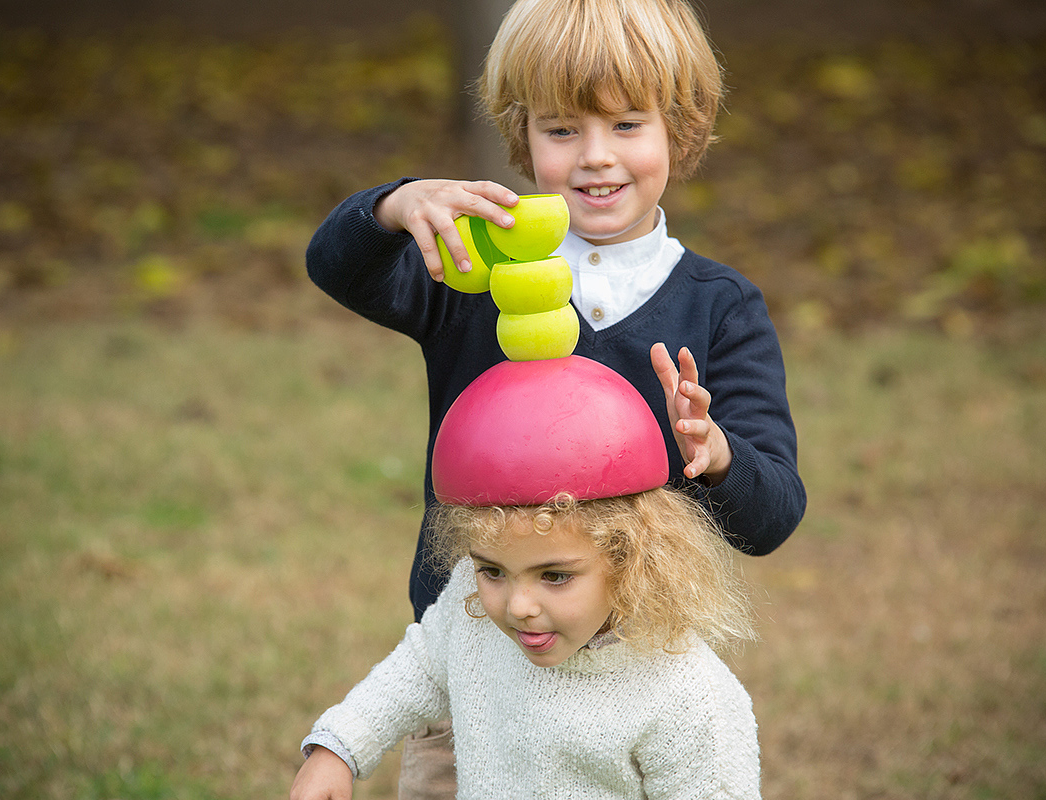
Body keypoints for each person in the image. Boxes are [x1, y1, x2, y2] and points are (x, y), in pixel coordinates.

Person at [304, 0, 804, 793]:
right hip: (472, 675)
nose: (595, 158)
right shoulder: (474, 275)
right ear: (521, 132)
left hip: (633, 686)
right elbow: (337, 267)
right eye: (562, 129)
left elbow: (774, 513)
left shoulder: (719, 307)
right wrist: (395, 206)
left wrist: (716, 456)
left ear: (682, 126)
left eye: (628, 126)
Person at [291, 357, 761, 798]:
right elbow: (417, 670)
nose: (518, 606)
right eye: (492, 571)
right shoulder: (470, 610)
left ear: (629, 560)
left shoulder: (687, 696)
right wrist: (338, 748)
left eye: (554, 576)